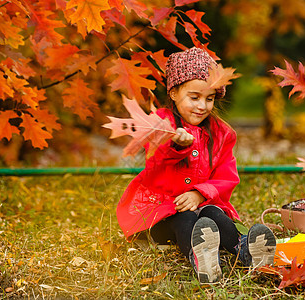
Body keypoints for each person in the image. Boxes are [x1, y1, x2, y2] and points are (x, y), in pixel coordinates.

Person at [116, 47, 276, 283]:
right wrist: (176, 146)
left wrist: (202, 194)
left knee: (213, 215)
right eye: (194, 97)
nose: (202, 106)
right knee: (186, 220)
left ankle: (243, 249)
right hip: (161, 214)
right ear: (173, 93)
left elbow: (227, 175)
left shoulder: (221, 134)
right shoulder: (161, 125)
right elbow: (155, 164)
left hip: (202, 206)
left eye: (209, 99)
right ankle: (202, 258)